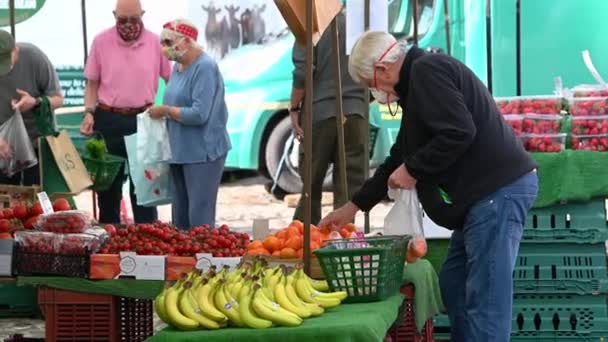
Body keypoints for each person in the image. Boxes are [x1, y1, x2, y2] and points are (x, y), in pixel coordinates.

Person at [320, 31, 539, 342]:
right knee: (454, 283)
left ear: (382, 70)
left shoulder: (427, 72)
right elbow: (401, 154)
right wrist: (355, 206)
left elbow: (459, 131)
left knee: (486, 299)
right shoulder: (416, 83)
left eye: (369, 85)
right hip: (482, 199)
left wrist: (413, 170)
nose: (375, 93)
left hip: (497, 193)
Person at [80, 0, 171, 224]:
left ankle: (147, 240)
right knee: (108, 188)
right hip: (108, 119)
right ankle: (111, 242)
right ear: (114, 16)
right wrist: (89, 113)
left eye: (134, 19)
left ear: (143, 14)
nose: (128, 25)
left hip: (144, 119)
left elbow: (171, 79)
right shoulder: (101, 41)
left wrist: (170, 111)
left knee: (145, 187)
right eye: (123, 20)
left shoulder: (155, 42)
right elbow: (92, 84)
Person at [148, 19, 231, 230]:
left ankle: (203, 261)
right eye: (162, 42)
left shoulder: (204, 67)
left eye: (168, 42)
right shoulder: (178, 67)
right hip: (179, 151)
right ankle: (183, 262)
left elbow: (199, 114)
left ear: (185, 42)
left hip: (202, 152)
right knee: (180, 218)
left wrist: (166, 110)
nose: (164, 48)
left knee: (199, 216)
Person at [290, 12, 367, 225]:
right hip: (355, 113)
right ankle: (342, 237)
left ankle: (305, 237)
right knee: (349, 186)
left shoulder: (310, 27)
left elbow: (302, 75)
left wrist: (294, 108)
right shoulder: (358, 24)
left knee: (311, 184)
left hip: (320, 114)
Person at [0, 29, 63, 185]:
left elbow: (58, 99)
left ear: (16, 51)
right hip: (3, 147)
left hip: (37, 144)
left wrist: (35, 102)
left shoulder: (34, 57)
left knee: (36, 200)